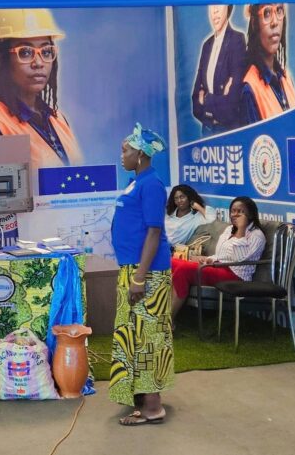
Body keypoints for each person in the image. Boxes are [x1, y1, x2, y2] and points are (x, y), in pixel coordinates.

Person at [109, 123, 173, 427]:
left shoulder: (152, 185)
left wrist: (139, 277)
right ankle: (140, 395)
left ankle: (152, 407)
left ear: (142, 154)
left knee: (149, 338)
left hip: (147, 272)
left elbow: (154, 231)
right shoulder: (138, 181)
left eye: (126, 150)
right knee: (132, 336)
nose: (122, 155)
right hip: (133, 269)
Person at [0, 8, 84, 169]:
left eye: (46, 52)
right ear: (1, 59)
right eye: (25, 52)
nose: (38, 63)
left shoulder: (57, 119)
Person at [170, 196, 266, 319]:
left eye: (240, 211)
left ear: (250, 214)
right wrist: (208, 259)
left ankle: (169, 321)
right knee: (172, 262)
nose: (235, 215)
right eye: (233, 211)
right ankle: (162, 313)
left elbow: (240, 258)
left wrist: (241, 230)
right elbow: (221, 254)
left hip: (236, 276)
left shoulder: (256, 235)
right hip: (218, 266)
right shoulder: (229, 229)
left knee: (183, 269)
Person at [191, 5, 248, 134]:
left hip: (227, 132)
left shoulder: (237, 40)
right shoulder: (207, 45)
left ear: (228, 7)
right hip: (206, 129)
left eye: (219, 5)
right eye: (211, 5)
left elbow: (232, 106)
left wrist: (205, 99)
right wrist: (219, 100)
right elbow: (195, 103)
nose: (214, 11)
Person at [240, 3, 295, 124]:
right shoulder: (249, 89)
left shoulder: (286, 79)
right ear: (255, 24)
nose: (275, 22)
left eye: (279, 10)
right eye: (266, 13)